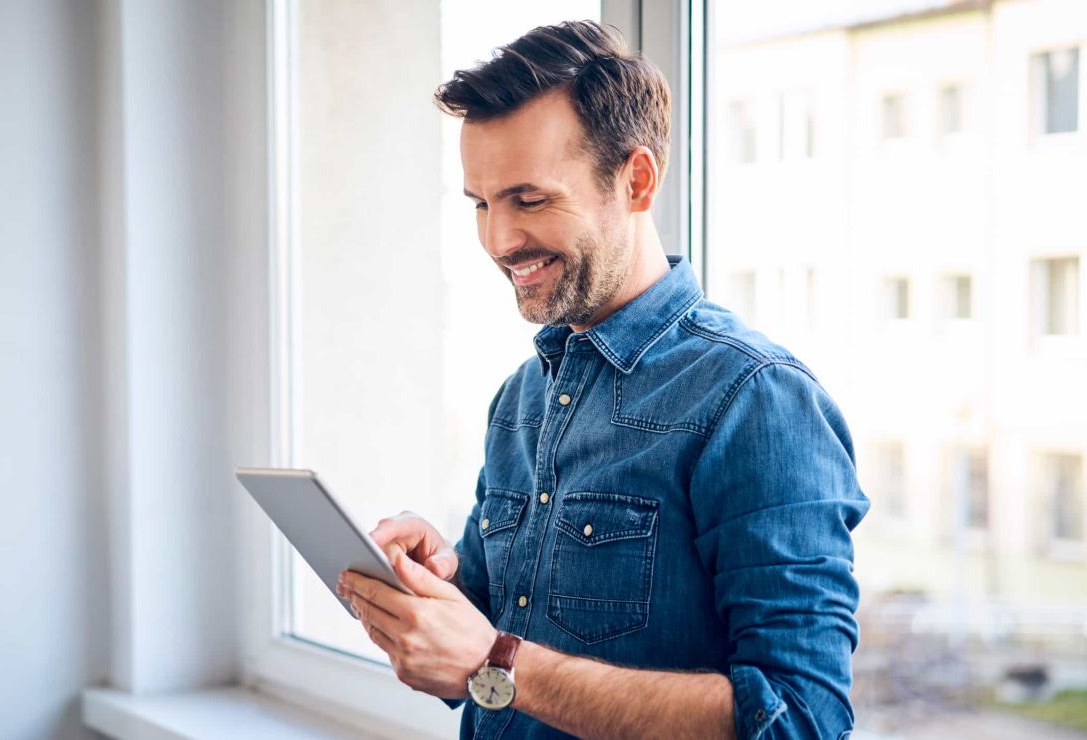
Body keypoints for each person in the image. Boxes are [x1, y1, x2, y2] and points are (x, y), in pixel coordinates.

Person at [335, 20, 869, 740]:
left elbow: (802, 720)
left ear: (636, 180)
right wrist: (444, 592)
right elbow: (495, 654)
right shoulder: (521, 400)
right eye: (480, 204)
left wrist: (497, 659)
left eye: (529, 199)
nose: (497, 241)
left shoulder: (757, 401)